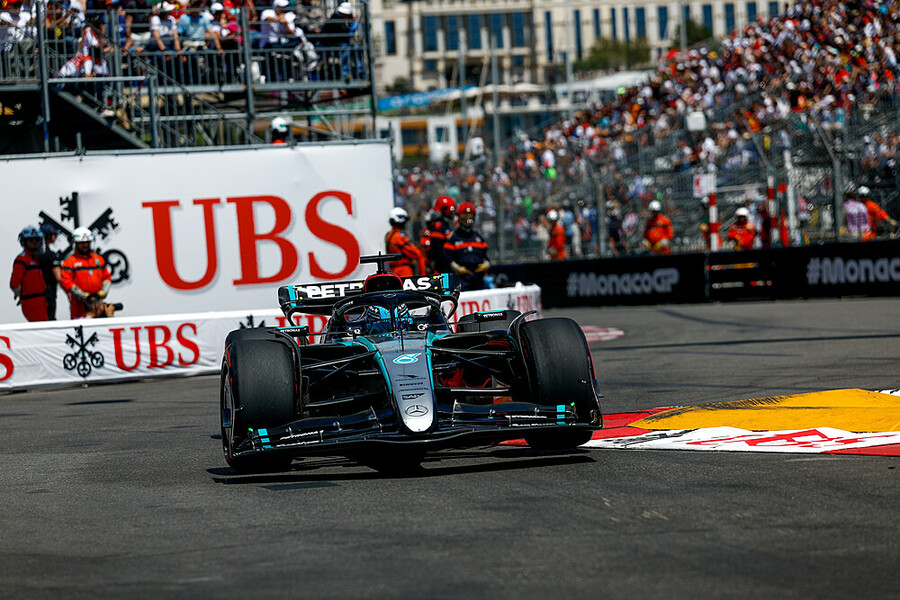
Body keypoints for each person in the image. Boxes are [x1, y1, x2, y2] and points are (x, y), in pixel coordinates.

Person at [60, 227, 116, 319]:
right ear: (75, 243)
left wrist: (104, 291)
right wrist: (82, 295)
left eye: (87, 242)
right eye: (82, 243)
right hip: (79, 304)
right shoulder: (69, 262)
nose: (85, 245)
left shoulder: (98, 259)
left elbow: (107, 277)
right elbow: (66, 281)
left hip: (97, 304)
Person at [444, 202, 490, 291]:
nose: (468, 218)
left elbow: (485, 256)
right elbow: (447, 258)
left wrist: (486, 264)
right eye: (464, 215)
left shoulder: (478, 237)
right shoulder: (453, 238)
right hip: (461, 279)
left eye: (470, 215)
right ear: (459, 217)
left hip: (478, 278)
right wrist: (456, 268)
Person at [9, 226, 49, 322]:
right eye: (31, 240)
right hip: (32, 302)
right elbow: (14, 283)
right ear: (24, 241)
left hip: (42, 301)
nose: (34, 242)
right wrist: (22, 294)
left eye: (37, 240)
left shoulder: (36, 258)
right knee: (42, 327)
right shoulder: (22, 259)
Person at [384, 207, 426, 277]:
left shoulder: (389, 235)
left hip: (393, 271)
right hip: (404, 271)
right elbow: (415, 253)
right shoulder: (399, 237)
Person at [420, 195, 455, 273]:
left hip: (446, 264)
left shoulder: (446, 224)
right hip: (441, 266)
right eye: (450, 210)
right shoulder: (439, 226)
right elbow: (436, 246)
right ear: (444, 210)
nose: (452, 213)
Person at [38, 223, 63, 320]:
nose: (55, 237)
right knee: (50, 319)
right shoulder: (50, 255)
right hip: (48, 294)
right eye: (53, 235)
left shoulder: (33, 255)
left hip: (36, 295)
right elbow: (59, 277)